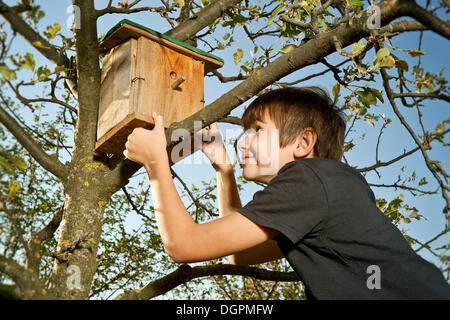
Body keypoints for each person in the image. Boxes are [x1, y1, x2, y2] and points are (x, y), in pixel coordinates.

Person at [123, 86, 450, 299]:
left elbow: (184, 245)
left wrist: (155, 162)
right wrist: (225, 172)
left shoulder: (308, 179)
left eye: (257, 130)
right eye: (244, 132)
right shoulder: (322, 195)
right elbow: (240, 255)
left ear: (304, 143)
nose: (243, 141)